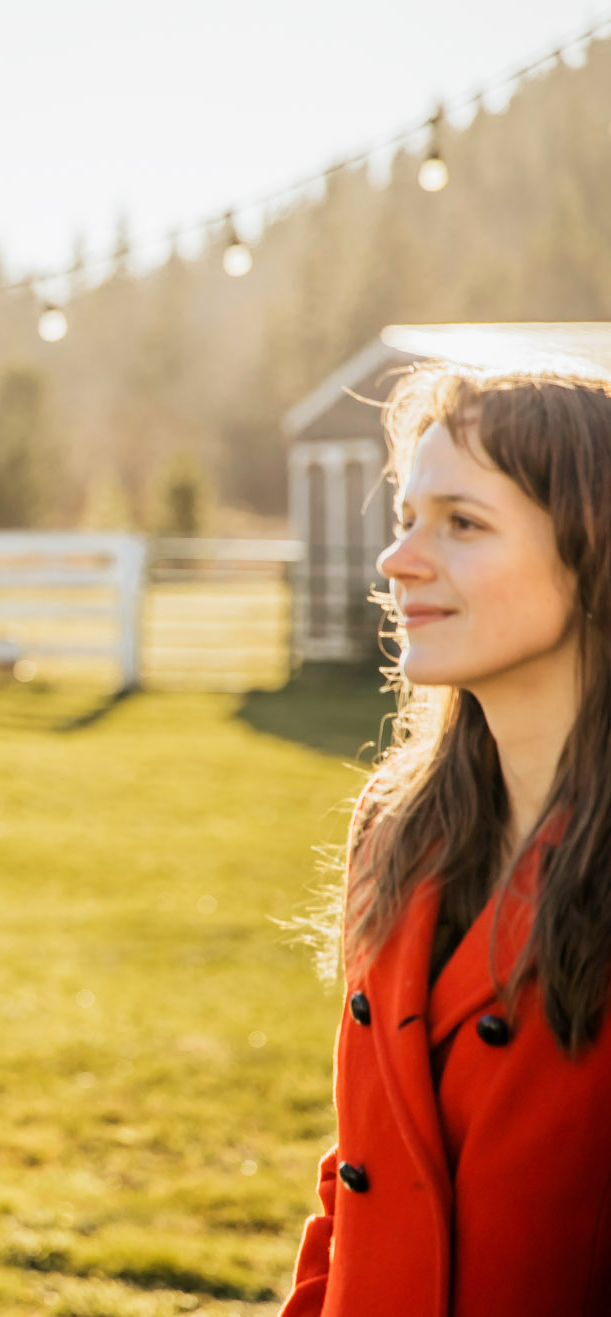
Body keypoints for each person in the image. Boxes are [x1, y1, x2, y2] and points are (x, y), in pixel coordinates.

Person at [281, 337, 611, 1316]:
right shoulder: (394, 824)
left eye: (460, 522)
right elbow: (358, 1177)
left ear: (592, 549)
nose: (397, 559)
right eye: (404, 517)